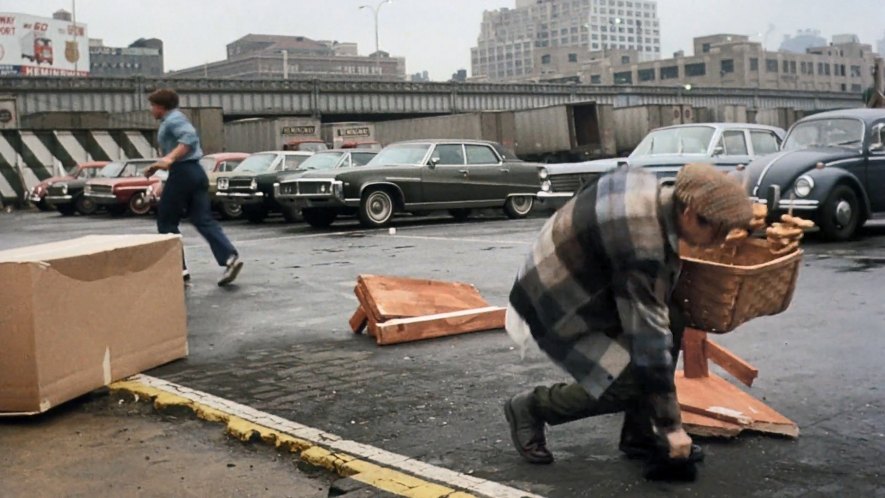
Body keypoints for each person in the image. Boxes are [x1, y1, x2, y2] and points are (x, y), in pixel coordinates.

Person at [503, 163, 752, 480]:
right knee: (625, 380)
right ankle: (533, 406)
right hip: (556, 300)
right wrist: (672, 427)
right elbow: (648, 342)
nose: (719, 241)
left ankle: (639, 435)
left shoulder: (649, 186)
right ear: (689, 213)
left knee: (672, 318)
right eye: (717, 231)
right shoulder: (642, 244)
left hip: (584, 280)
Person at [144, 88, 243, 286]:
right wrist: (163, 173)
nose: (150, 110)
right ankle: (229, 258)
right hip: (195, 173)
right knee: (201, 218)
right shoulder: (174, 118)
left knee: (166, 222)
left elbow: (189, 138)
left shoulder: (173, 120)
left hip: (183, 172)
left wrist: (169, 158)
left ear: (161, 107)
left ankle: (178, 270)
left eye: (152, 106)